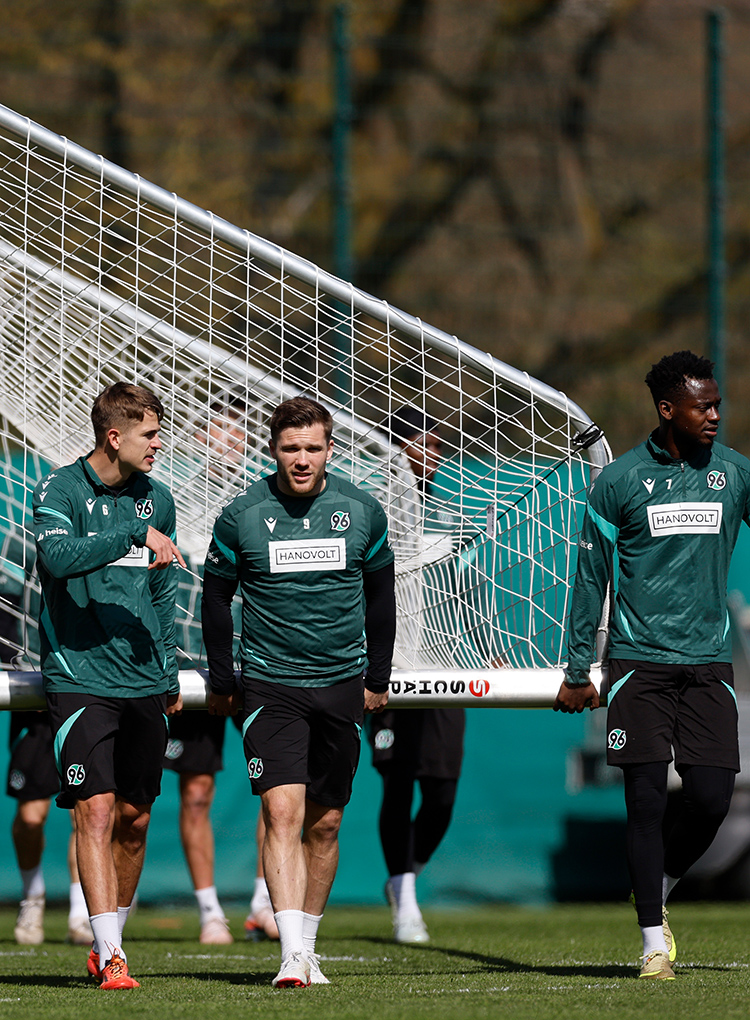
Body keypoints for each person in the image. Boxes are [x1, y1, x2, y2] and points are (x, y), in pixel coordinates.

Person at [553, 350, 749, 981]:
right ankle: (651, 946)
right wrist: (579, 665)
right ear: (668, 410)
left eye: (718, 403)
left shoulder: (737, 473)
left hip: (708, 665)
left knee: (713, 799)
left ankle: (657, 885)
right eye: (704, 405)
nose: (716, 414)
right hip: (638, 667)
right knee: (644, 800)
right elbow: (589, 578)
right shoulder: (618, 482)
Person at [203, 395, 396, 988]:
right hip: (270, 684)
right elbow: (215, 598)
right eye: (291, 448)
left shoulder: (363, 512)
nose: (303, 458)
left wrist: (377, 678)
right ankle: (290, 955)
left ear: (330, 450)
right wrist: (221, 677)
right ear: (273, 450)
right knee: (281, 811)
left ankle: (307, 946)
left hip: (341, 683)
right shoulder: (240, 516)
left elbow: (381, 597)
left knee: (327, 822)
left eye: (313, 448)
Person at [32, 381, 185, 990]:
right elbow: (57, 559)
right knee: (93, 812)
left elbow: (164, 588)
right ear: (113, 436)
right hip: (79, 676)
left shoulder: (160, 497)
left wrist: (169, 666)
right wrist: (128, 536)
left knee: (135, 818)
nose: (157, 446)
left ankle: (108, 939)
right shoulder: (60, 488)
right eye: (149, 435)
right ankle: (112, 953)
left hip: (145, 678)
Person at [165, 395, 278, 944]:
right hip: (191, 667)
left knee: (278, 786)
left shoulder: (263, 499)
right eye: (214, 431)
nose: (224, 441)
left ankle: (265, 900)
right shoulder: (168, 494)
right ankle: (211, 911)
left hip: (257, 661)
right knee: (196, 792)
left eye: (233, 432)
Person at [368, 407, 465, 944]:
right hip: (388, 668)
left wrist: (486, 644)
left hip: (448, 664)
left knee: (443, 793)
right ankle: (405, 899)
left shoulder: (451, 512)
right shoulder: (372, 509)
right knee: (397, 781)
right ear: (395, 449)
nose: (428, 454)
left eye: (435, 444)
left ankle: (407, 874)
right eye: (417, 443)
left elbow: (465, 586)